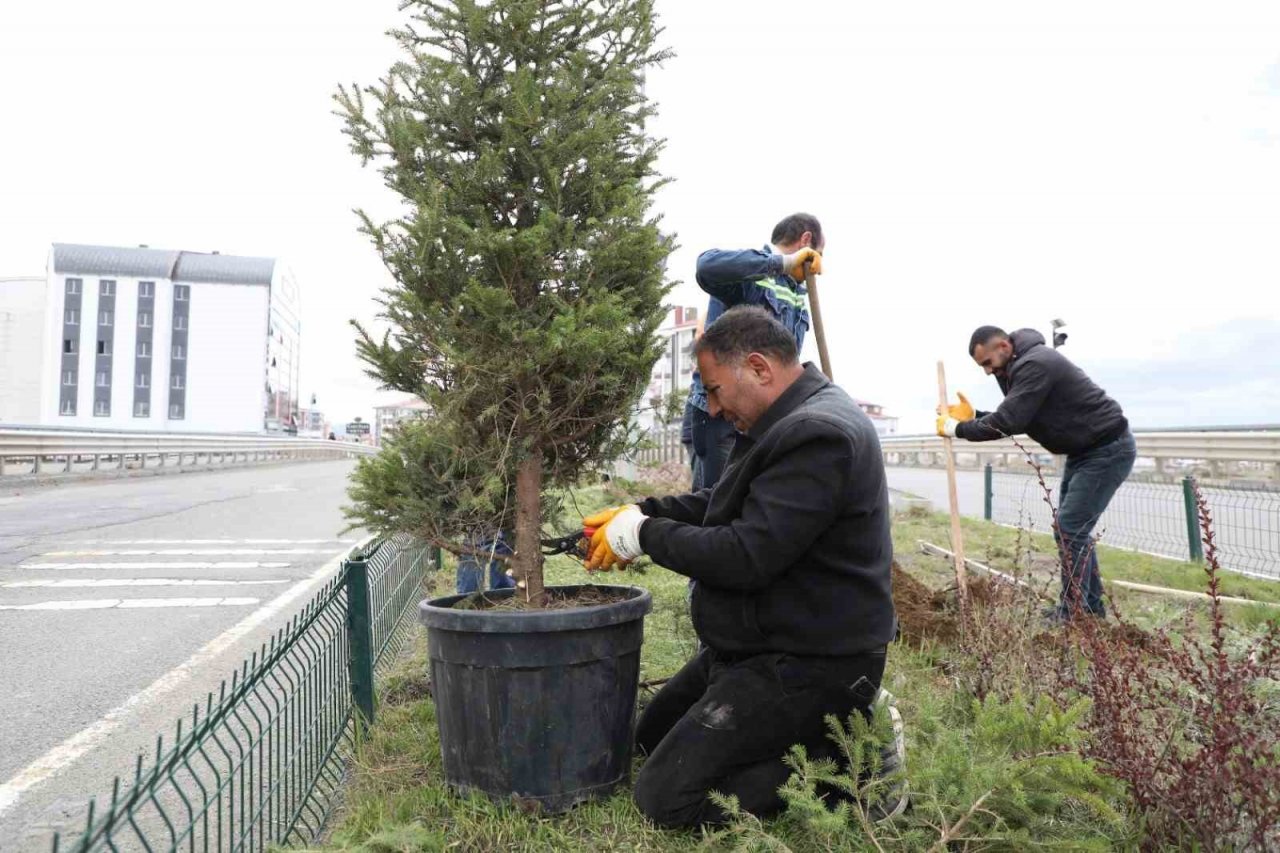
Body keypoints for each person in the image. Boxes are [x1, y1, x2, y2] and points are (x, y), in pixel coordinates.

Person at [584, 306, 902, 828]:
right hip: (754, 643)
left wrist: (643, 536)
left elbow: (745, 556)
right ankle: (816, 734)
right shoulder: (783, 419)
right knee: (649, 740)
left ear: (757, 368)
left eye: (713, 390)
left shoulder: (819, 434)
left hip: (811, 660)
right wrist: (644, 512)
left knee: (666, 800)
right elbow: (724, 502)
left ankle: (854, 762)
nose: (710, 409)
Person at [937, 326, 1135, 620]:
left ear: (1004, 346)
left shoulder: (1037, 364)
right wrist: (974, 416)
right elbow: (1021, 412)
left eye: (987, 363)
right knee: (1070, 530)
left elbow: (1009, 421)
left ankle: (1076, 612)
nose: (987, 372)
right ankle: (1088, 608)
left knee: (1070, 529)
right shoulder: (1014, 367)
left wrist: (959, 429)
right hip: (1085, 452)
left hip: (1107, 450)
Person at [687, 213, 824, 489]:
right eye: (819, 254)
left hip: (762, 420)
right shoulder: (753, 273)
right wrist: (783, 264)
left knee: (744, 502)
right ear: (806, 241)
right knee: (714, 504)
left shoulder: (797, 293)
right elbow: (706, 266)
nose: (819, 266)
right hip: (722, 415)